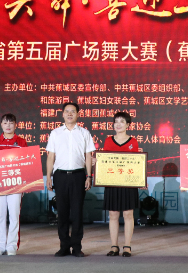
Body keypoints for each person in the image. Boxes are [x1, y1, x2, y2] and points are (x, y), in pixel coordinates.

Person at [45, 101, 95, 257]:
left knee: (77, 212)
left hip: (78, 175)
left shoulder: (84, 133)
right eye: (67, 111)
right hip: (60, 176)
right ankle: (64, 246)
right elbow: (50, 156)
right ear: (63, 114)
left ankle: (77, 247)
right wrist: (49, 176)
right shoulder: (55, 133)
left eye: (73, 111)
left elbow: (88, 156)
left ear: (78, 114)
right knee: (62, 212)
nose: (70, 114)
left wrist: (89, 175)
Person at [0, 113, 27, 256]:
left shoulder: (21, 142)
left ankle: (12, 246)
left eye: (11, 123)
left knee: (14, 215)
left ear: (16, 125)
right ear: (1, 125)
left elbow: (27, 163)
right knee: (0, 215)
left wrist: (26, 184)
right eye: (5, 123)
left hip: (16, 185)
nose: (8, 126)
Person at [103, 111, 139, 258]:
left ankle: (127, 246)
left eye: (122, 122)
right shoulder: (108, 141)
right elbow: (105, 161)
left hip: (128, 183)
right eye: (116, 121)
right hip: (112, 182)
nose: (118, 124)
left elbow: (136, 163)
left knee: (128, 214)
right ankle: (114, 246)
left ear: (128, 125)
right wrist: (97, 162)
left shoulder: (133, 141)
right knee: (113, 214)